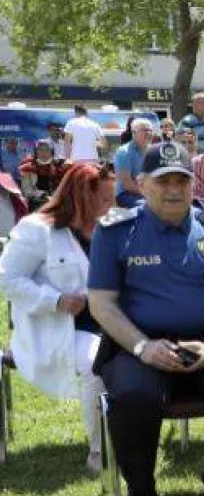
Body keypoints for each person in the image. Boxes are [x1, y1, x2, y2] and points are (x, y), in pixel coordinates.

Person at [86, 140, 204, 496]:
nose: (173, 189)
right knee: (134, 396)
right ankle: (142, 493)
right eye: (162, 180)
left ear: (193, 185)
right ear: (141, 183)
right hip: (138, 348)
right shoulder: (115, 231)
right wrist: (142, 347)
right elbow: (101, 303)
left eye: (181, 181)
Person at [0, 162, 115, 476]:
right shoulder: (36, 229)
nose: (110, 206)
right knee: (96, 365)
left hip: (109, 322)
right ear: (81, 196)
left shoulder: (108, 228)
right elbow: (6, 280)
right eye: (104, 199)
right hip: (57, 329)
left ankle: (133, 435)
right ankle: (98, 450)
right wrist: (56, 300)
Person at [112, 118, 154, 208]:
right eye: (145, 130)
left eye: (151, 130)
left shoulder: (153, 151)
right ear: (134, 133)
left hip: (147, 193)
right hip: (126, 195)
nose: (149, 133)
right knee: (148, 207)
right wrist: (150, 193)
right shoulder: (124, 152)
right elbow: (128, 185)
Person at [20, 140, 65, 207]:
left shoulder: (59, 166)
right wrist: (42, 196)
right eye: (40, 150)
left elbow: (64, 187)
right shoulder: (28, 167)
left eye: (47, 150)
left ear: (51, 152)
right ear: (36, 152)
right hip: (36, 204)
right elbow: (27, 190)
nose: (43, 152)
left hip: (57, 203)